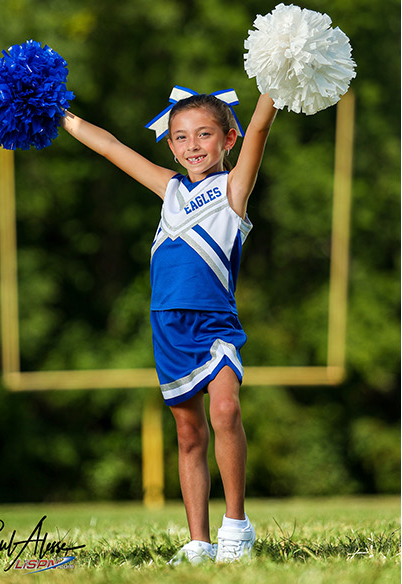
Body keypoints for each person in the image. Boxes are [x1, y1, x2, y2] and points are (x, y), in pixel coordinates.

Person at [60, 88, 273, 562]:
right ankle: (199, 541)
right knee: (189, 434)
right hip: (168, 327)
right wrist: (63, 117)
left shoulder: (235, 187)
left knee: (225, 412)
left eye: (205, 134)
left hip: (214, 322)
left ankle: (236, 527)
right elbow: (112, 147)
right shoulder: (170, 188)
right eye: (181, 137)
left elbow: (260, 127)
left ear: (228, 140)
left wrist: (273, 84)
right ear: (171, 146)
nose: (193, 145)